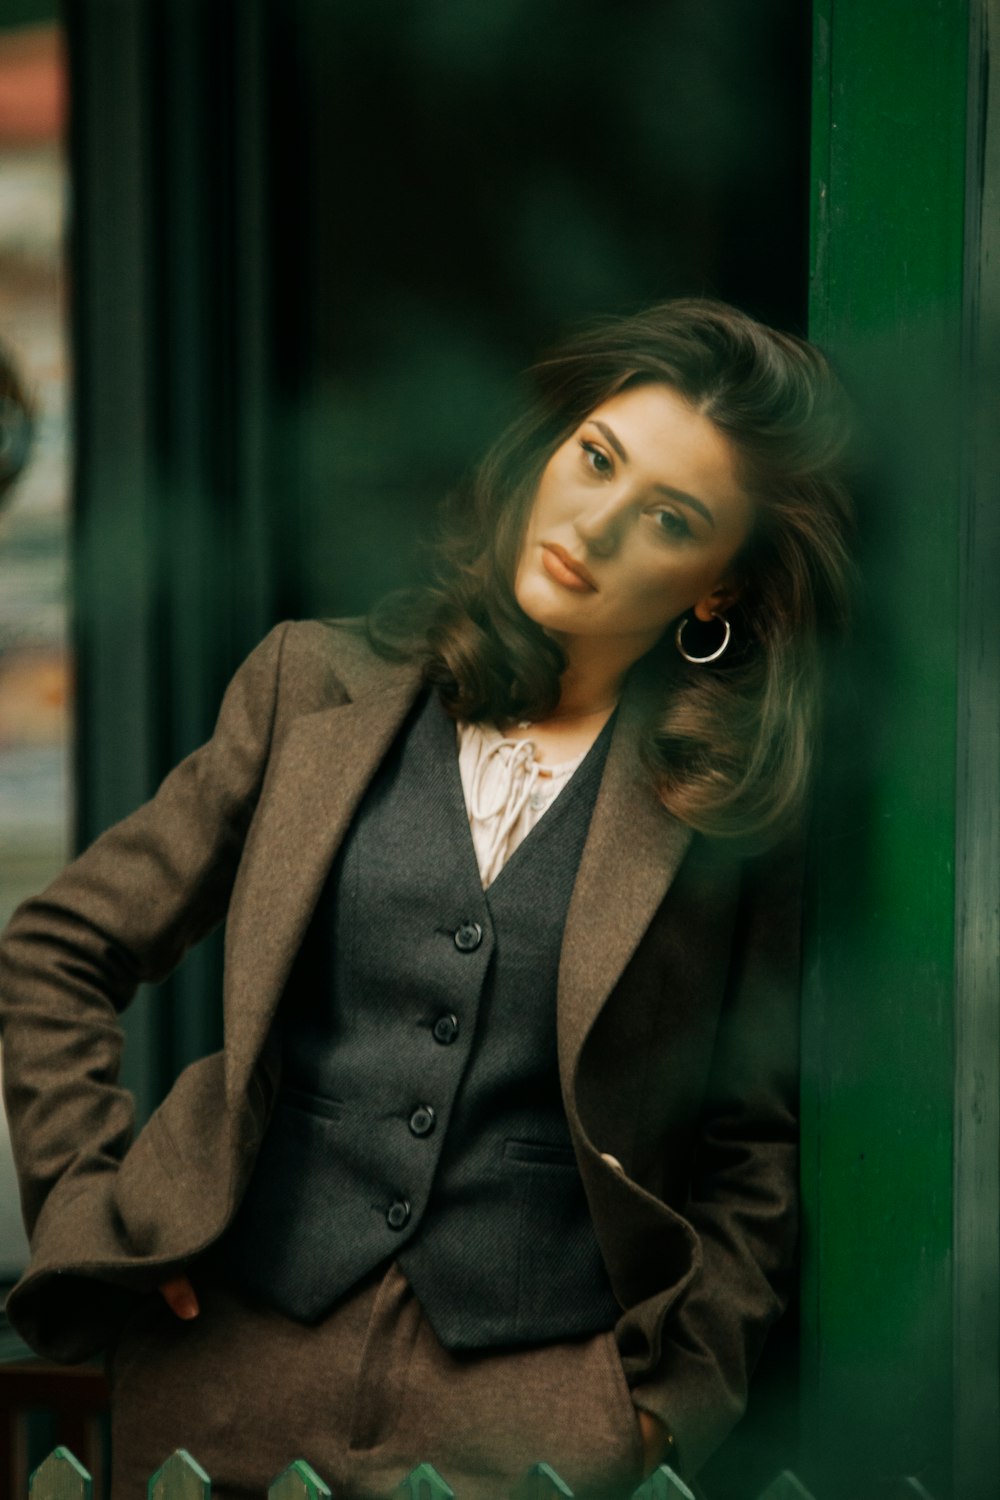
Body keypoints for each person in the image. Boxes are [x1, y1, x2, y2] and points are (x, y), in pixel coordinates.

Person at [0, 298, 854, 1500]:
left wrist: (662, 1411)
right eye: (595, 460)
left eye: (668, 517)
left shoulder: (724, 817)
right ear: (551, 448)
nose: (596, 524)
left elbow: (747, 1148)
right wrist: (94, 1213)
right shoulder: (312, 685)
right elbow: (58, 946)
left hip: (539, 1422)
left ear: (715, 589)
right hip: (227, 1383)